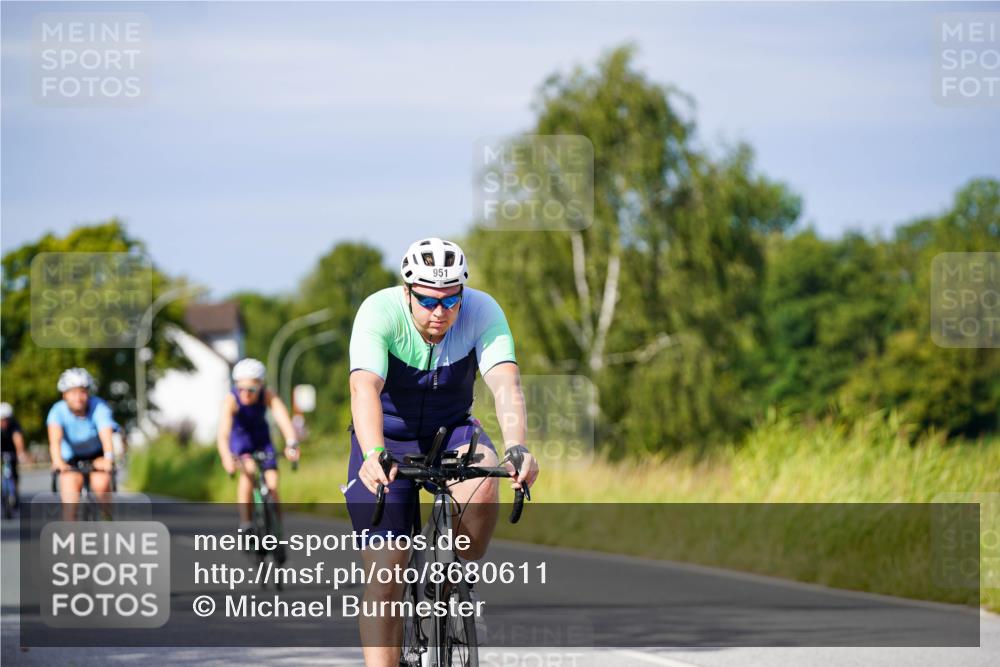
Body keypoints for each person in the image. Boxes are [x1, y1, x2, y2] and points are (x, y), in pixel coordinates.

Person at [345, 237, 540, 666]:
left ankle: (455, 586)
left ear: (463, 294)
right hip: (387, 439)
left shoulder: (483, 311)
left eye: (451, 300)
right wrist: (374, 451)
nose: (440, 312)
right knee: (385, 579)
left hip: (451, 431)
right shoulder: (379, 312)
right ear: (407, 290)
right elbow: (364, 389)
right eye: (429, 300)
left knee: (486, 480)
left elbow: (506, 384)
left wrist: (518, 447)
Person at [216, 358, 300, 534]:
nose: (245, 393)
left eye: (251, 390)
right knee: (249, 473)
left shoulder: (267, 395)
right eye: (241, 389)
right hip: (241, 442)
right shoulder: (231, 400)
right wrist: (226, 457)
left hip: (262, 440)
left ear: (261, 386)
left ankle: (277, 531)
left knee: (273, 486)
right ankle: (246, 523)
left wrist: (291, 443)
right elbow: (223, 434)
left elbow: (283, 420)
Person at [46, 369, 117, 520]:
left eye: (83, 392)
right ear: (64, 394)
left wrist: (108, 458)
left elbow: (106, 435)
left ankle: (108, 520)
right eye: (73, 392)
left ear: (88, 393)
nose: (78, 397)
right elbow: (54, 441)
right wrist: (57, 461)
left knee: (102, 484)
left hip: (97, 455)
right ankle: (71, 540)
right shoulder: (57, 411)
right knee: (70, 498)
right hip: (71, 458)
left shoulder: (99, 406)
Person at [1, 402, 31, 514]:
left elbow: (17, 439)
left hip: (12, 450)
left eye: (6, 419)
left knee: (14, 472)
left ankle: (15, 493)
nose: (4, 422)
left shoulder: (14, 425)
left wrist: (20, 453)